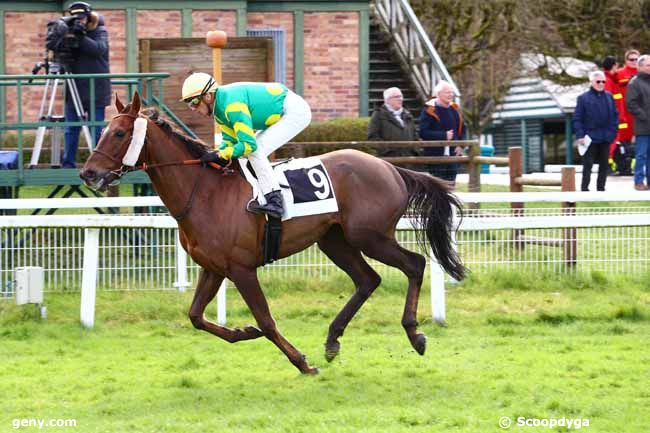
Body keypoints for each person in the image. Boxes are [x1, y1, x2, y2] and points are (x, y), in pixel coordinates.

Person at [180, 72, 312, 218]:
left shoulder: (231, 105)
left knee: (256, 150)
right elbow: (230, 142)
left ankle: (275, 201)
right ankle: (260, 193)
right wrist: (215, 154)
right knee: (248, 153)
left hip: (294, 111)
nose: (192, 108)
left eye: (194, 102)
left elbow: (248, 145)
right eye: (189, 104)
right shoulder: (219, 112)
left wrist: (220, 154)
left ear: (208, 96)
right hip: (279, 111)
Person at [62, 1, 111, 168]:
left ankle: (98, 165)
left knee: (95, 130)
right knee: (71, 129)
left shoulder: (100, 31)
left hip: (96, 90)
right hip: (73, 88)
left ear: (89, 17)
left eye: (82, 18)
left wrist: (81, 36)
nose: (79, 22)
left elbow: (98, 49)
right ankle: (68, 164)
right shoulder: (69, 31)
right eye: (76, 19)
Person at [573, 71, 618, 192]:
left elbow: (614, 116)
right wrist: (580, 135)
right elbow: (577, 118)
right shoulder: (583, 98)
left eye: (603, 81)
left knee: (604, 165)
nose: (601, 84)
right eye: (598, 81)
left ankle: (601, 189)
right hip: (589, 138)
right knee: (588, 165)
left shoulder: (609, 97)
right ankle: (584, 189)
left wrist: (612, 133)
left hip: (605, 138)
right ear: (591, 82)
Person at [418, 80, 465, 187]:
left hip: (453, 155)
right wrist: (443, 135)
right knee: (437, 187)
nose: (450, 95)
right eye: (447, 92)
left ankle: (450, 204)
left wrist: (461, 145)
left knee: (451, 185)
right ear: (438, 94)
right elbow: (423, 132)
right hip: (435, 155)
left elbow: (463, 129)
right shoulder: (429, 110)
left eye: (451, 92)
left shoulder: (454, 109)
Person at [625, 54, 650, 190]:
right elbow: (630, 104)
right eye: (648, 65)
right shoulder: (634, 83)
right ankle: (638, 182)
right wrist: (645, 116)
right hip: (642, 126)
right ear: (640, 67)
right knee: (641, 155)